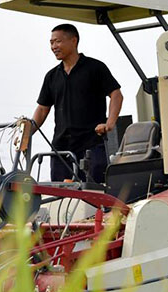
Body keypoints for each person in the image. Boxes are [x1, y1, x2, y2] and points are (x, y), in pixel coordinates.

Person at [32, 23, 123, 183]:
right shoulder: (52, 76)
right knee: (62, 196)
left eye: (58, 41)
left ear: (73, 41)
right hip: (61, 147)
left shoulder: (95, 68)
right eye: (51, 43)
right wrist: (26, 133)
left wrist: (110, 123)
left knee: (93, 191)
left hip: (91, 144)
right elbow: (42, 109)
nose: (54, 46)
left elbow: (116, 94)